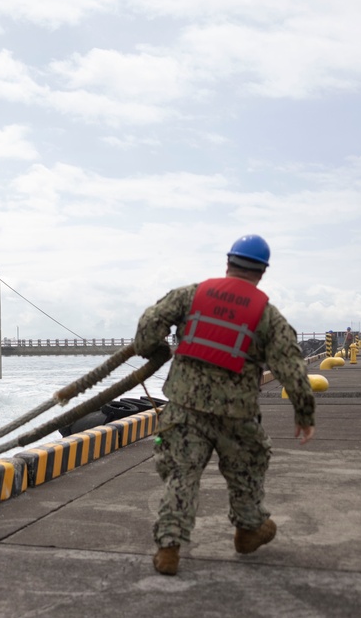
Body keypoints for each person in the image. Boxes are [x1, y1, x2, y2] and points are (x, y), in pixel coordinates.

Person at [133, 234, 316, 576]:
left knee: (181, 475)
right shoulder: (269, 316)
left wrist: (150, 349)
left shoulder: (190, 295)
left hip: (185, 409)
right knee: (248, 468)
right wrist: (304, 413)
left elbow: (147, 329)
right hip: (238, 416)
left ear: (228, 262)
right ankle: (248, 530)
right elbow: (291, 368)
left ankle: (169, 549)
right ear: (262, 272)